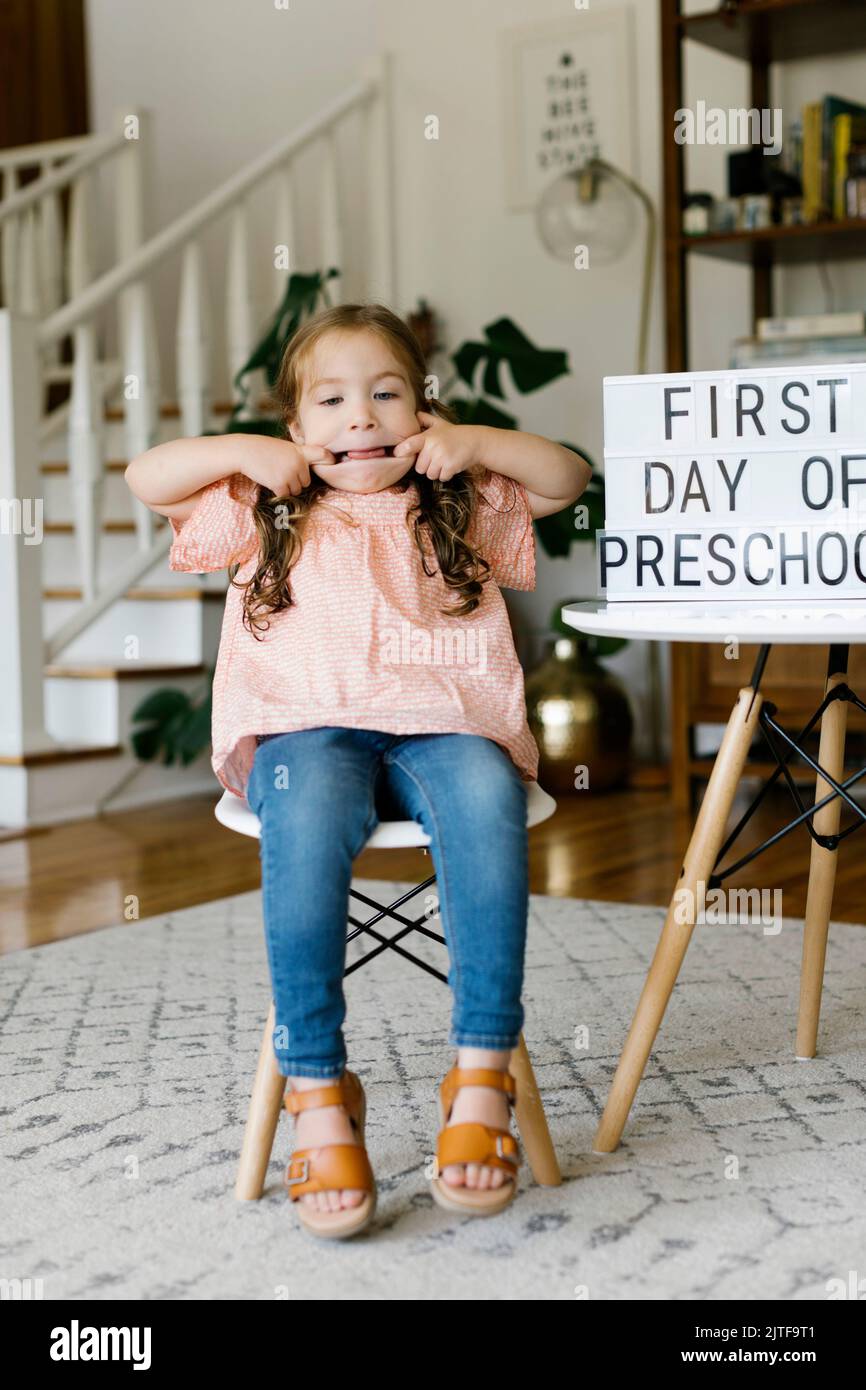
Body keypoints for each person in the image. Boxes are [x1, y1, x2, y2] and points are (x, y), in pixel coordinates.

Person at [125, 302, 590, 1238]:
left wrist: (474, 441)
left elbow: (569, 477)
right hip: (305, 736)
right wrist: (242, 452)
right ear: (297, 430)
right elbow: (147, 478)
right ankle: (319, 1090)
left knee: (486, 800)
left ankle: (480, 1078)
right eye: (331, 402)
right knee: (302, 825)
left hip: (446, 730)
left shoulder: (456, 495)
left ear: (422, 409)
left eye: (386, 395)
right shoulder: (266, 504)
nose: (361, 418)